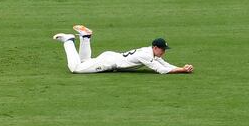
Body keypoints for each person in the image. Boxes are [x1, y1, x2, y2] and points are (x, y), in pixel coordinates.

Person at [53, 25, 194, 74]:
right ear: (155, 47)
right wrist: (181, 70)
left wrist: (182, 67)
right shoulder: (146, 55)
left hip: (111, 56)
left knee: (84, 61)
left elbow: (165, 64)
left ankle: (86, 37)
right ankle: (69, 41)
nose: (164, 52)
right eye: (162, 49)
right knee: (76, 69)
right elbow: (161, 70)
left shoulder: (150, 53)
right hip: (109, 62)